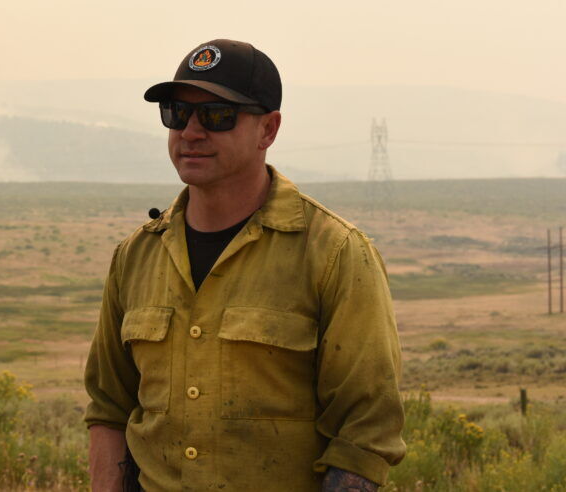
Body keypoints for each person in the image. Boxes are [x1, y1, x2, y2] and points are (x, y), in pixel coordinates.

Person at [84, 39, 405, 491]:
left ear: (268, 130)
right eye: (177, 113)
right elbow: (109, 408)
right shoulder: (135, 257)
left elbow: (366, 430)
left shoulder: (335, 253)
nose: (191, 132)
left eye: (217, 116)